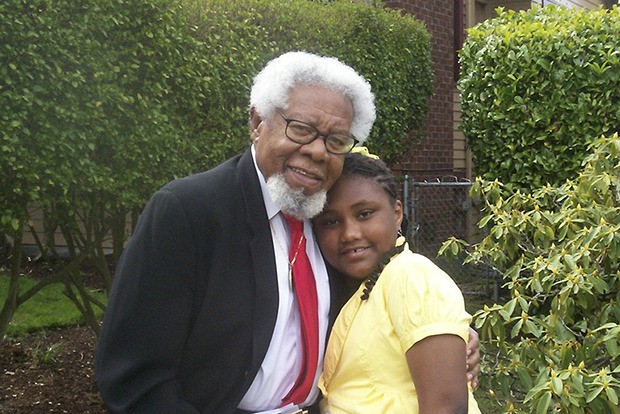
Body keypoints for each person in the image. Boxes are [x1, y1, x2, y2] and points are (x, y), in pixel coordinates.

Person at [95, 51, 480, 414]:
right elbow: (134, 378)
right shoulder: (189, 212)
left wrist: (444, 336)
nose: (317, 151)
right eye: (300, 129)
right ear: (258, 122)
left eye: (335, 140)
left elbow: (373, 304)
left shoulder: (325, 219)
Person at [313, 151, 482, 413]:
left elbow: (446, 407)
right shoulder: (352, 287)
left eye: (365, 214)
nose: (349, 233)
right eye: (331, 221)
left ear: (397, 213)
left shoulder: (412, 276)